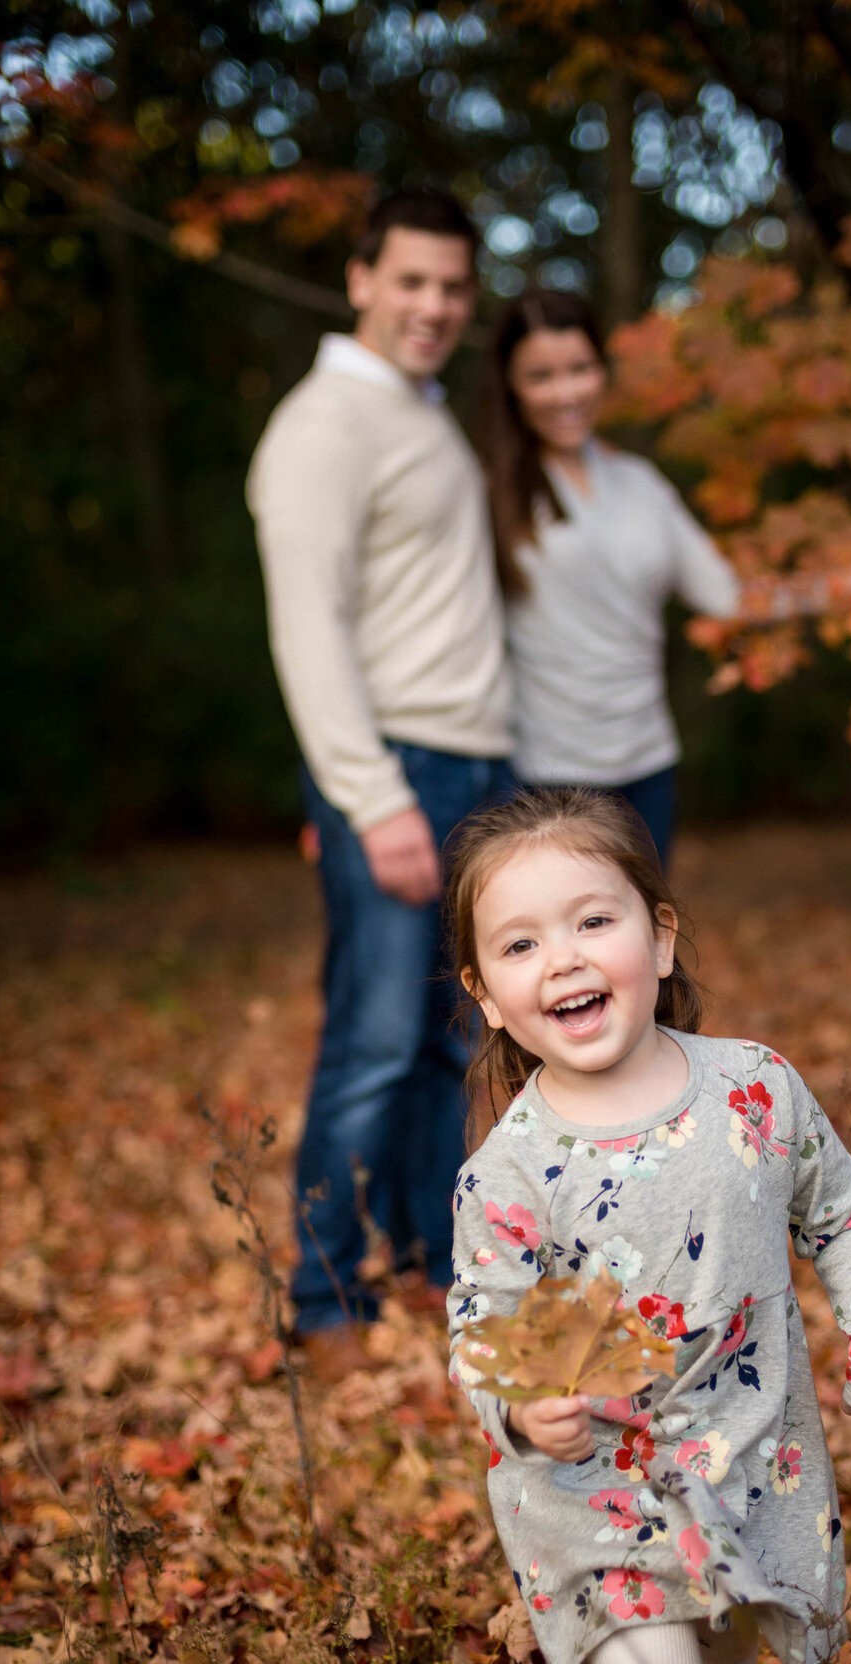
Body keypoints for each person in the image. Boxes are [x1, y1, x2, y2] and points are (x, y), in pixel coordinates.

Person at [443, 789, 851, 1664]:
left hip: (753, 1458)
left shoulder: (754, 1089)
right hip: (598, 1489)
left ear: (660, 939)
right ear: (486, 993)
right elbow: (480, 1331)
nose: (566, 958)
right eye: (522, 943)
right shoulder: (511, 1174)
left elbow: (840, 1209)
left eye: (593, 919)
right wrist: (522, 1409)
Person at [247, 191, 513, 1383]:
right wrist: (368, 794)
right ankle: (320, 1296)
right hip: (399, 762)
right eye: (411, 281)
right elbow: (309, 631)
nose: (434, 307)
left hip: (470, 758)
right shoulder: (322, 427)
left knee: (441, 1035)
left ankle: (429, 1257)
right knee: (366, 1036)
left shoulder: (421, 414)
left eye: (454, 287)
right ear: (359, 278)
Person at [479, 293, 741, 867]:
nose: (566, 392)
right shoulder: (489, 491)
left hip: (648, 768)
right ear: (511, 385)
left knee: (644, 954)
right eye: (541, 376)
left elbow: (727, 596)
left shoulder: (639, 482)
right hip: (544, 778)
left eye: (579, 369)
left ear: (602, 370)